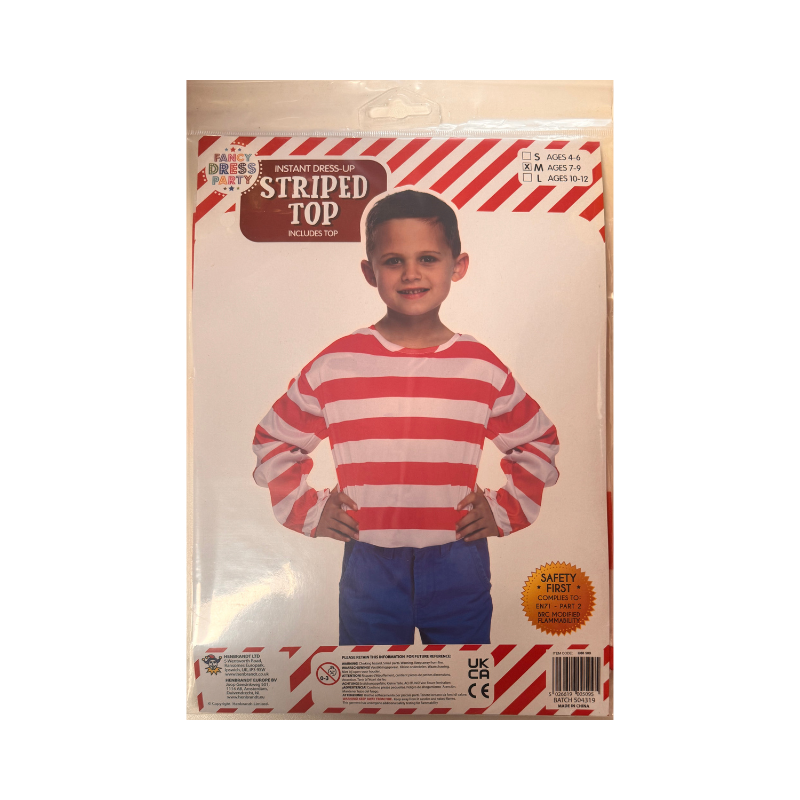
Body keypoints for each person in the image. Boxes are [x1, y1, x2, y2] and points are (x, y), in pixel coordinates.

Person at [253, 190, 559, 645]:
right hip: (370, 559)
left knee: (462, 681)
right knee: (369, 680)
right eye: (394, 260)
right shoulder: (336, 365)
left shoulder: (481, 367)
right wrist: (310, 510)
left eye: (428, 258)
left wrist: (503, 509)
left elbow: (537, 441)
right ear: (369, 271)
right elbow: (274, 439)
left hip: (459, 557)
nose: (411, 273)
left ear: (458, 265)